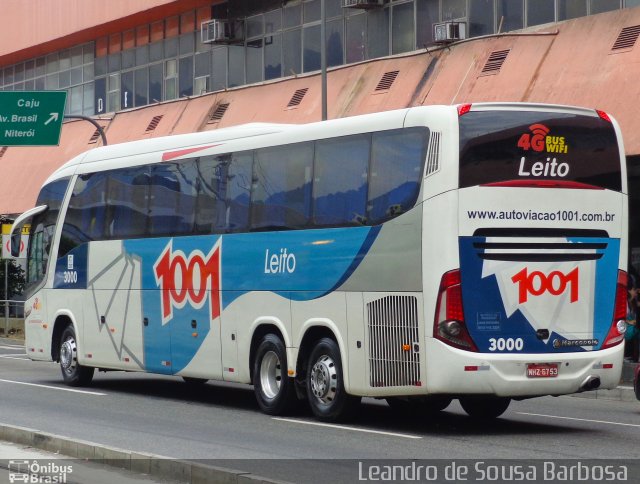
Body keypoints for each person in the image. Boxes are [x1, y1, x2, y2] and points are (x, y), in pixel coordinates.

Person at [625, 274, 640, 362]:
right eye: (634, 290)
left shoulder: (632, 302)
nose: (635, 292)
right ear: (629, 290)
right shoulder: (625, 303)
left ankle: (635, 356)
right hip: (626, 327)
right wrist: (629, 322)